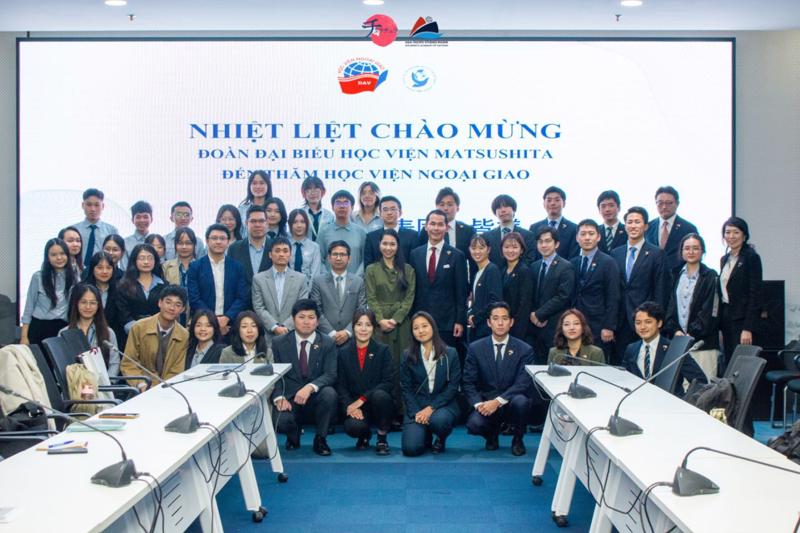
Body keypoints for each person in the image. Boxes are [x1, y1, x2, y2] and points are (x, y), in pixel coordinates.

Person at [464, 302, 534, 455]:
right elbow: (468, 382)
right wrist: (479, 405)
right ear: (489, 322)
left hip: (511, 400)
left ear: (511, 322)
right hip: (486, 400)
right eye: (495, 319)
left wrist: (497, 402)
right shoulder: (475, 348)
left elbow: (522, 383)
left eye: (505, 318)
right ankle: (491, 435)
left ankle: (518, 439)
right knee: (474, 424)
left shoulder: (525, 349)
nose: (500, 323)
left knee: (522, 402)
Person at [271, 299, 338, 456]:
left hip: (315, 396)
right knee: (281, 422)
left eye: (311, 317)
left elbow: (331, 374)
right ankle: (293, 434)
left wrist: (309, 387)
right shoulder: (279, 342)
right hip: (290, 397)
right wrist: (279, 397)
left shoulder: (327, 342)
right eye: (301, 317)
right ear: (293, 319)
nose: (306, 322)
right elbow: (275, 374)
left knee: (330, 394)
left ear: (317, 321)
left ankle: (320, 439)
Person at [365, 229, 416, 415]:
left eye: (392, 244)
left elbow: (409, 298)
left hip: (401, 325)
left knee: (403, 367)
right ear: (379, 245)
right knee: (382, 368)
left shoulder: (408, 269)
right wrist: (380, 319)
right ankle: (383, 413)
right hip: (380, 326)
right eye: (385, 243)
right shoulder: (371, 269)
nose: (388, 247)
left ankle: (402, 412)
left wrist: (395, 319)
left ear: (398, 246)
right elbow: (371, 298)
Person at [611, 206, 668, 364]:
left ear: (646, 226)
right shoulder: (616, 253)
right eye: (629, 222)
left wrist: (656, 318)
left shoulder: (656, 253)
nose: (633, 226)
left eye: (637, 222)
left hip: (645, 319)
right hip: (620, 320)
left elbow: (660, 290)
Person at [400, 311, 461, 456]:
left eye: (424, 326)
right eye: (416, 328)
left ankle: (440, 437)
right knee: (411, 449)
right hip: (417, 405)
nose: (420, 331)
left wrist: (431, 408)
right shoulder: (407, 355)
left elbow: (453, 387)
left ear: (433, 327)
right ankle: (425, 434)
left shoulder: (450, 353)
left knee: (439, 421)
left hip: (442, 405)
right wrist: (416, 412)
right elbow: (406, 388)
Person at [336, 309, 394, 455]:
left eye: (368, 325)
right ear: (353, 327)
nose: (363, 329)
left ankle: (382, 438)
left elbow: (388, 382)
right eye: (359, 324)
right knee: (353, 427)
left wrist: (362, 399)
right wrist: (350, 406)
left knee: (381, 395)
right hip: (355, 405)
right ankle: (364, 435)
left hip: (377, 403)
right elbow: (341, 385)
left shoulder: (383, 350)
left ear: (373, 328)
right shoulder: (343, 352)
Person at [410, 209, 467, 353]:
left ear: (446, 228)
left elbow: (461, 292)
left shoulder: (457, 256)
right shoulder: (415, 254)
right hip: (421, 320)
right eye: (433, 224)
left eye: (440, 224)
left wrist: (459, 320)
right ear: (426, 226)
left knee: (445, 360)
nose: (436, 228)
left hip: (447, 322)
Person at [665, 233, 720, 379]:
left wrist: (692, 333)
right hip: (678, 342)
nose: (691, 252)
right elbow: (670, 306)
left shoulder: (710, 275)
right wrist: (675, 330)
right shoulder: (675, 274)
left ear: (702, 251)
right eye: (687, 248)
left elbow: (709, 310)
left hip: (702, 344)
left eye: (695, 248)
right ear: (681, 251)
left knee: (704, 387)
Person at [623, 301, 707, 394]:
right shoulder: (631, 349)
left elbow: (700, 381)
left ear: (659, 323)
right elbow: (625, 379)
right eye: (638, 323)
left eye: (648, 322)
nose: (642, 327)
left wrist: (686, 399)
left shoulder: (675, 349)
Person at [121, 285, 189, 390]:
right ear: (160, 303)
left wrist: (162, 388)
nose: (172, 308)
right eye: (168, 302)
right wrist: (141, 384)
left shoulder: (184, 335)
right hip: (140, 387)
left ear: (182, 309)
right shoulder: (139, 327)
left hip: (168, 389)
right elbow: (128, 363)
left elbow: (177, 370)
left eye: (177, 305)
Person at [187, 224, 249, 338]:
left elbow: (242, 297)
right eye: (214, 238)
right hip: (203, 324)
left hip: (230, 325)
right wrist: (213, 320)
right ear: (207, 241)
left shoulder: (237, 267)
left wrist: (227, 318)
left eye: (222, 238)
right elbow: (194, 298)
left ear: (228, 242)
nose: (218, 242)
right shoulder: (195, 267)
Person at [571, 219, 620, 361]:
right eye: (583, 234)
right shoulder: (573, 262)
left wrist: (609, 326)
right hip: (576, 323)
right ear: (577, 238)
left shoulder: (608, 262)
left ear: (598, 237)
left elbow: (613, 296)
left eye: (591, 234)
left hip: (599, 325)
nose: (587, 238)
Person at [718, 216, 762, 372]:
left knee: (742, 364)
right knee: (729, 361)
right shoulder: (724, 259)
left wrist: (748, 328)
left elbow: (755, 294)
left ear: (744, 235)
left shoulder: (751, 257)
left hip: (742, 319)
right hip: (726, 316)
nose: (731, 236)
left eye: (736, 232)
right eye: (727, 232)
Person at [251, 237, 310, 349]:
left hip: (293, 333)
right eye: (277, 251)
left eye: (285, 251)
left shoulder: (301, 279)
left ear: (290, 255)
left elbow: (301, 307)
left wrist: (286, 326)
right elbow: (258, 307)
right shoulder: (258, 279)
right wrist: (274, 327)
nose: (281, 254)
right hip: (267, 335)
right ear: (270, 254)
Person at [529, 226, 575, 362]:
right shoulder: (534, 266)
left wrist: (540, 314)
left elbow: (563, 296)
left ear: (557, 244)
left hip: (554, 326)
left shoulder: (566, 266)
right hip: (534, 327)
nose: (544, 245)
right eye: (540, 241)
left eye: (548, 241)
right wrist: (533, 315)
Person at [21, 238, 77, 346]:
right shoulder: (38, 277)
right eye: (54, 255)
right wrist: (24, 337)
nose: (59, 258)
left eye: (62, 253)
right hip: (39, 328)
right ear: (47, 257)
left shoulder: (74, 277)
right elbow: (29, 307)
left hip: (63, 328)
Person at [310, 241, 366, 346]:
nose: (338, 258)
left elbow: (361, 310)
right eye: (335, 254)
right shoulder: (318, 281)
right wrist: (331, 333)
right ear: (329, 258)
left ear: (349, 259)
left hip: (351, 339)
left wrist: (347, 332)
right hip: (325, 338)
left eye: (343, 254)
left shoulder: (358, 282)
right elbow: (316, 310)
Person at [61, 283, 120, 376]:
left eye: (92, 303)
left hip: (102, 383)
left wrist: (107, 383)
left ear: (98, 305)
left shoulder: (109, 333)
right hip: (74, 382)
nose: (88, 307)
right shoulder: (64, 333)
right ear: (76, 304)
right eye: (83, 302)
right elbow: (60, 364)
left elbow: (114, 363)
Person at [418, 187, 476, 277]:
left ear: (457, 208)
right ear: (436, 207)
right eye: (442, 204)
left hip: (459, 278)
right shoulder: (427, 230)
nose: (445, 208)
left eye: (450, 204)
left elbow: (473, 262)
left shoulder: (468, 231)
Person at [645, 186, 699, 272]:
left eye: (669, 203)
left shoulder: (689, 228)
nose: (664, 207)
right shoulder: (647, 227)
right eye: (660, 203)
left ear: (677, 203)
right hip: (651, 275)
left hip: (678, 275)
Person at [115, 243, 165, 335]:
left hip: (158, 333)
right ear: (134, 260)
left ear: (155, 260)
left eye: (150, 258)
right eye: (142, 258)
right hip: (131, 334)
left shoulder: (163, 285)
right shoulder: (123, 285)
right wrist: (138, 330)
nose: (146, 262)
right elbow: (123, 312)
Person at [317, 190, 367, 276]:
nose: (342, 206)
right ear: (332, 207)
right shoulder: (324, 231)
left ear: (352, 207)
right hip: (329, 282)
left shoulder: (361, 232)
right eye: (338, 203)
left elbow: (365, 260)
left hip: (355, 282)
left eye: (346, 203)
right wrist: (327, 278)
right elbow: (318, 259)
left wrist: (356, 279)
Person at [363, 195, 418, 267]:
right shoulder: (371, 237)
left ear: (400, 212)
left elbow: (415, 264)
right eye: (385, 210)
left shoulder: (412, 236)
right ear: (380, 214)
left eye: (393, 209)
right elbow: (368, 265)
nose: (389, 212)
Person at [483, 194, 536, 267]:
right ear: (495, 213)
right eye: (499, 207)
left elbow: (530, 259)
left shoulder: (528, 235)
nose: (503, 210)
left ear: (514, 210)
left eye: (506, 206)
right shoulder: (486, 236)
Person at [227, 205, 273, 289]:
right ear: (246, 223)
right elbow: (229, 279)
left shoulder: (275, 247)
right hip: (242, 297)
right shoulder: (234, 249)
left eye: (261, 221)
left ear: (267, 223)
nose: (257, 225)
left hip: (269, 297)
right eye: (253, 221)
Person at [467, 234, 502, 341]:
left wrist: (476, 318)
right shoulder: (477, 273)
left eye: (481, 248)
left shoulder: (492, 270)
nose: (477, 251)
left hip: (487, 329)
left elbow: (495, 301)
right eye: (473, 248)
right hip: (478, 328)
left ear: (488, 249)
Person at [83, 251, 123, 345]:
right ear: (92, 268)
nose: (104, 271)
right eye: (100, 268)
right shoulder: (82, 290)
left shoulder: (120, 290)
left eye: (108, 268)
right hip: (85, 336)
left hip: (111, 339)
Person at [501, 232, 534, 344]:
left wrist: (516, 328)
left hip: (518, 327)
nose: (510, 251)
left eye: (515, 247)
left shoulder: (524, 271)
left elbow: (524, 305)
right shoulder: (503, 270)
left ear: (522, 250)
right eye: (507, 247)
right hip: (504, 324)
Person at [529, 186, 579, 260]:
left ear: (564, 203)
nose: (552, 203)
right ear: (544, 204)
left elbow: (573, 257)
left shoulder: (574, 228)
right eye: (549, 200)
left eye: (557, 200)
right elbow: (532, 255)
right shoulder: (534, 228)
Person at [73, 188, 119, 266]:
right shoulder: (74, 230)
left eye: (97, 205)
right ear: (83, 205)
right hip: (78, 270)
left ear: (103, 206)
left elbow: (116, 256)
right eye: (89, 205)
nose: (93, 209)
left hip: (103, 270)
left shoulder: (112, 231)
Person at [161, 227, 196, 325]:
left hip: (195, 316)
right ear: (175, 245)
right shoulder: (166, 266)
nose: (184, 247)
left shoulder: (201, 266)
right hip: (171, 315)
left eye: (188, 243)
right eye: (180, 243)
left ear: (194, 245)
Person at [287, 208, 322, 289]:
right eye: (295, 222)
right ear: (290, 224)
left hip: (308, 290)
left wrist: (307, 292)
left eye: (302, 222)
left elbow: (315, 274)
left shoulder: (314, 247)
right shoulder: (285, 245)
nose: (299, 225)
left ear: (307, 224)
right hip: (287, 289)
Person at [237, 170, 273, 237]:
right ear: (249, 186)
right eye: (254, 183)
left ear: (268, 185)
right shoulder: (241, 210)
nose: (258, 186)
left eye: (262, 183)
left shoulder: (274, 209)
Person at [299, 175, 334, 241]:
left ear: (323, 192)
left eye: (316, 189)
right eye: (308, 190)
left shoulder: (329, 216)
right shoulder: (299, 214)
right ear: (303, 193)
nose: (312, 193)